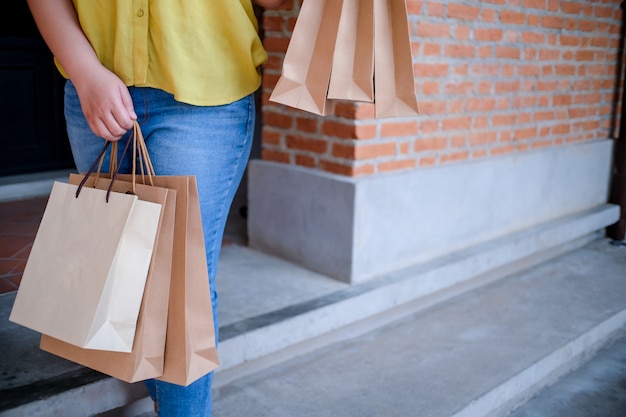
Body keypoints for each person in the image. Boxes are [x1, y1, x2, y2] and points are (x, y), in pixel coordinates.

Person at [25, 0, 288, 415]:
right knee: (116, 263)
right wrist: (84, 72)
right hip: (93, 88)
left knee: (182, 286)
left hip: (205, 94)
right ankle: (154, 382)